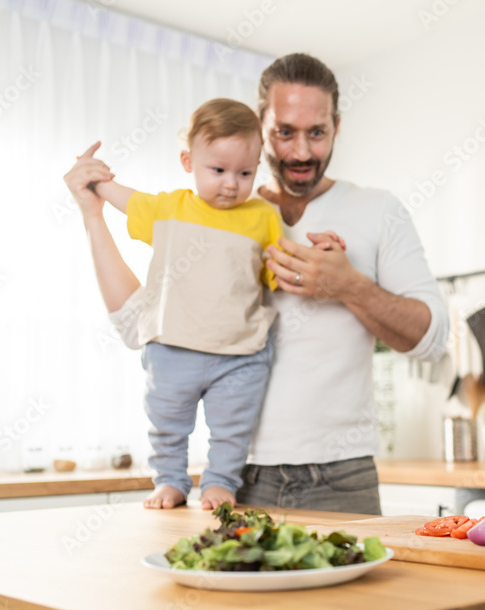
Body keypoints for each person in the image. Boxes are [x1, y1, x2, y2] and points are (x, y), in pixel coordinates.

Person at [64, 99, 340, 511]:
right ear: (187, 161)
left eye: (244, 173)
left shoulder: (262, 215)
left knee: (231, 430)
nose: (231, 183)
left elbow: (279, 269)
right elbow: (119, 197)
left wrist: (321, 255)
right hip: (171, 348)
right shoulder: (169, 208)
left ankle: (220, 483)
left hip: (240, 354)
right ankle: (170, 480)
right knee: (167, 425)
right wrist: (92, 175)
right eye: (218, 171)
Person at [235, 53, 448, 514]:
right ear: (259, 123)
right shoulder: (227, 214)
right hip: (237, 468)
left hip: (342, 472)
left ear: (337, 125)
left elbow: (431, 338)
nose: (301, 153)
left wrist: (348, 285)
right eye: (284, 132)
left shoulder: (378, 210)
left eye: (317, 132)